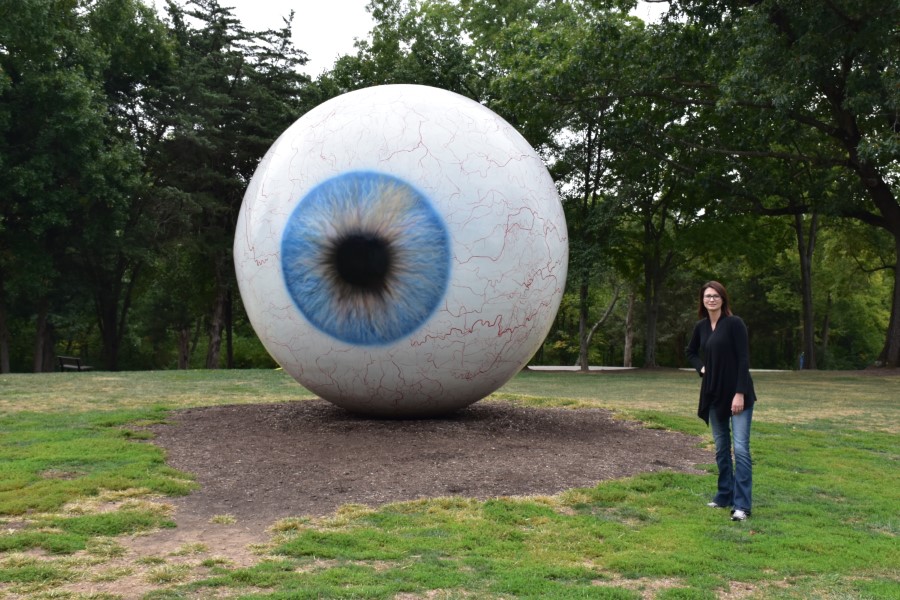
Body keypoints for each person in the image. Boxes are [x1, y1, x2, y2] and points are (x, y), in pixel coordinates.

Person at [685, 280, 757, 522]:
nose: (711, 299)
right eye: (707, 296)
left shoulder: (735, 324)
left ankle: (742, 506)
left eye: (716, 296)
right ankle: (724, 494)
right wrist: (702, 368)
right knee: (721, 447)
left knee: (741, 449)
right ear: (702, 301)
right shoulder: (702, 327)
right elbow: (691, 351)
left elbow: (744, 360)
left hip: (737, 394)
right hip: (713, 394)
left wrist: (740, 393)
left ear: (723, 299)